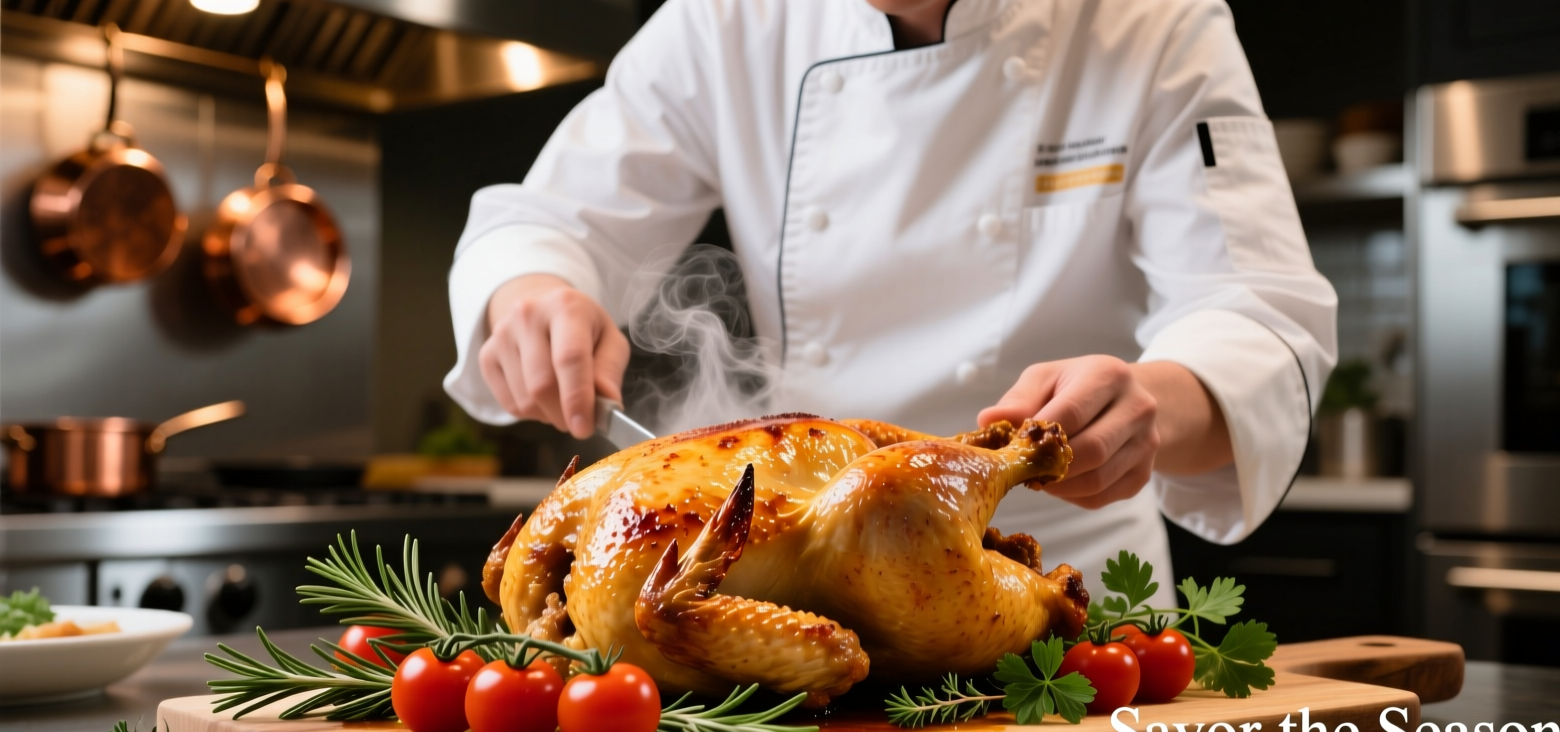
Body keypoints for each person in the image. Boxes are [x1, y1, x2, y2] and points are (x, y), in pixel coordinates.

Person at [444, 0, 1337, 600]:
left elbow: (1258, 309)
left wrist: (1155, 407)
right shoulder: (723, 22)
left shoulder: (1155, 24)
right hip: (803, 584)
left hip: (1057, 578)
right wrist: (529, 291)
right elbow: (556, 219)